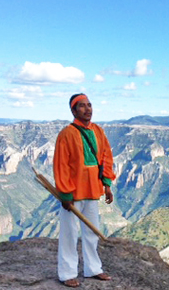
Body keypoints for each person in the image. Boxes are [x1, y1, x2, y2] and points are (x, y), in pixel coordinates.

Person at [53, 93, 116, 288]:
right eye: (82, 106)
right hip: (73, 193)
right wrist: (65, 193)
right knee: (69, 234)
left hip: (92, 190)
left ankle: (93, 269)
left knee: (91, 232)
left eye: (89, 105)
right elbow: (61, 164)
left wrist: (107, 184)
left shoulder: (98, 131)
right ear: (73, 111)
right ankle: (67, 273)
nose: (87, 109)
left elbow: (106, 157)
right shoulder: (66, 134)